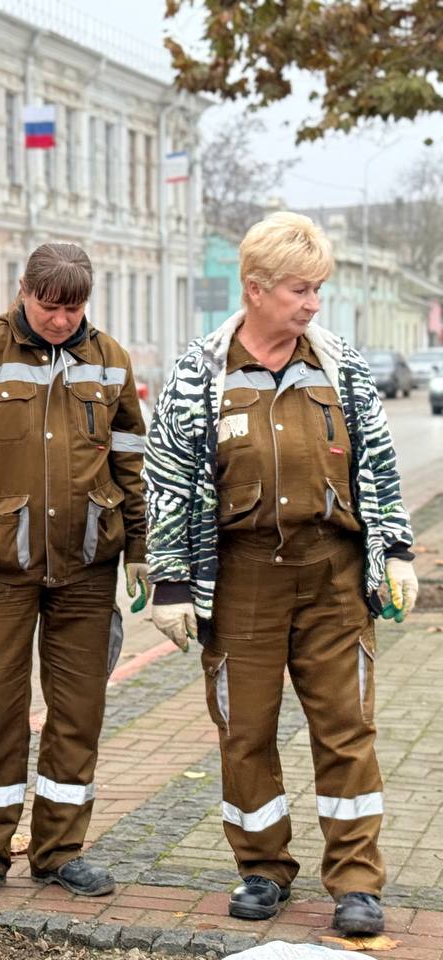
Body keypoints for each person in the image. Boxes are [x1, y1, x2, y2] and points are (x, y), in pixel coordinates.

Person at [145, 211, 418, 934]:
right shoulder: (201, 372)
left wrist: (393, 551)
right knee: (246, 733)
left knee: (346, 729)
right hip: (243, 582)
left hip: (332, 575)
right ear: (257, 288)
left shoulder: (340, 366)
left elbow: (379, 469)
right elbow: (168, 480)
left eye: (318, 289)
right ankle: (262, 871)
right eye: (301, 289)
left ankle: (356, 884)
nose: (312, 304)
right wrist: (171, 584)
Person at [0, 242, 148, 905]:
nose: (61, 321)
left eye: (73, 309)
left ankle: (59, 852)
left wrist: (144, 553)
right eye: (50, 308)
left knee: (77, 716)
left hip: (87, 570)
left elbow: (131, 465)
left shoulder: (110, 362)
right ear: (24, 292)